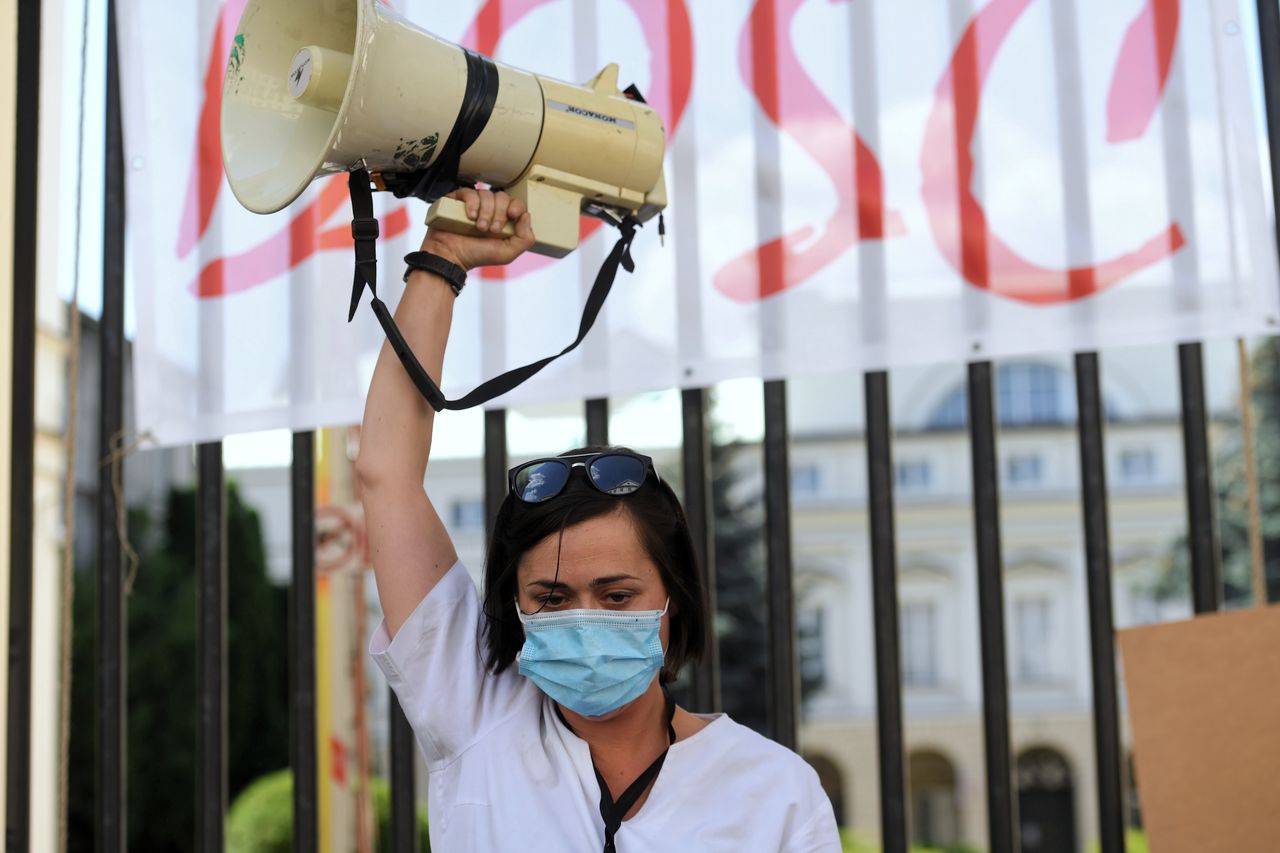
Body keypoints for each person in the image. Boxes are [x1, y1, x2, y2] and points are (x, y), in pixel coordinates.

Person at [358, 187, 841, 852]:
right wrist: (442, 257)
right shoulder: (472, 709)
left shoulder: (777, 791)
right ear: (515, 607)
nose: (584, 620)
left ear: (674, 600)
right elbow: (385, 475)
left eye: (617, 595)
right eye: (550, 598)